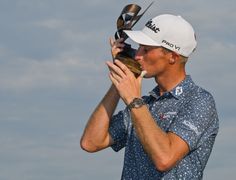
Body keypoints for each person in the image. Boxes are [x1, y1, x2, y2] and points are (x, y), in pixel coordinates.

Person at [80, 14, 219, 179]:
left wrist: (133, 100)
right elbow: (91, 142)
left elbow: (164, 158)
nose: (138, 55)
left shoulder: (199, 100)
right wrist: (121, 78)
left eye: (146, 49)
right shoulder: (145, 104)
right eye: (139, 47)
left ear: (173, 56)